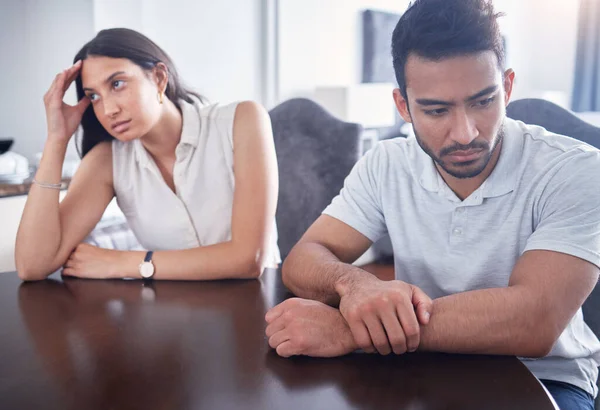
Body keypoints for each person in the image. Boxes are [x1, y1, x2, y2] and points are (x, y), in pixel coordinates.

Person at [264, 0, 600, 408]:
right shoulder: (387, 163)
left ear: (507, 87)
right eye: (437, 109)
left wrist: (349, 331)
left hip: (546, 377)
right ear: (403, 105)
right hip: (418, 363)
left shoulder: (577, 169)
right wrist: (356, 285)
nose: (464, 132)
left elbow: (535, 320)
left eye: (483, 101)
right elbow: (304, 258)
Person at [15, 28, 280, 281]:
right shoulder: (108, 160)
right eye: (94, 96)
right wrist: (56, 140)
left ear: (159, 78)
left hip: (258, 309)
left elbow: (248, 259)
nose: (108, 110)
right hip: (174, 316)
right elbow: (32, 265)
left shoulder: (242, 121)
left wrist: (122, 262)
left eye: (117, 83)